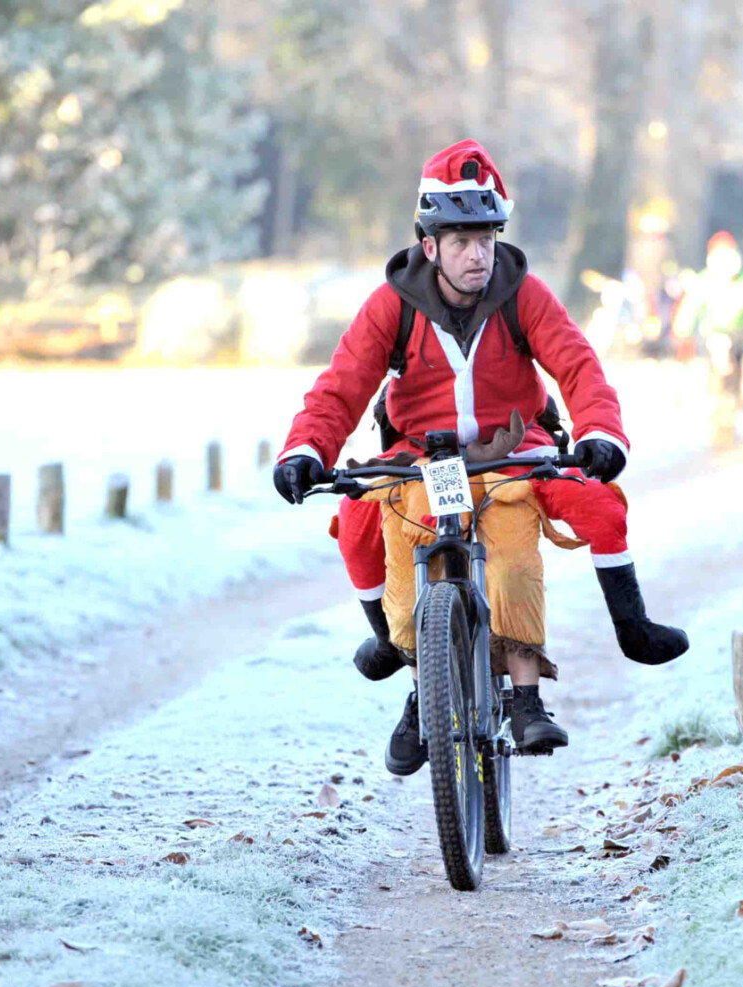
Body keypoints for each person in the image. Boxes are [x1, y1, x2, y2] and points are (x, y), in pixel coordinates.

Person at [272, 139, 688, 776]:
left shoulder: (524, 294)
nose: (478, 255)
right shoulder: (392, 304)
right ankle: (411, 670)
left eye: (487, 238)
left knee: (591, 508)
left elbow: (579, 367)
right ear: (429, 243)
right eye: (461, 240)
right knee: (358, 528)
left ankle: (562, 674)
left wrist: (601, 433)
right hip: (420, 455)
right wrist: (305, 449)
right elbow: (342, 384)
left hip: (516, 445)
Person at [671, 232, 743, 405]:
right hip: (712, 332)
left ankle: (737, 393)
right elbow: (690, 305)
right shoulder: (705, 280)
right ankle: (713, 392)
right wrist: (682, 329)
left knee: (738, 360)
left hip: (738, 332)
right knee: (712, 360)